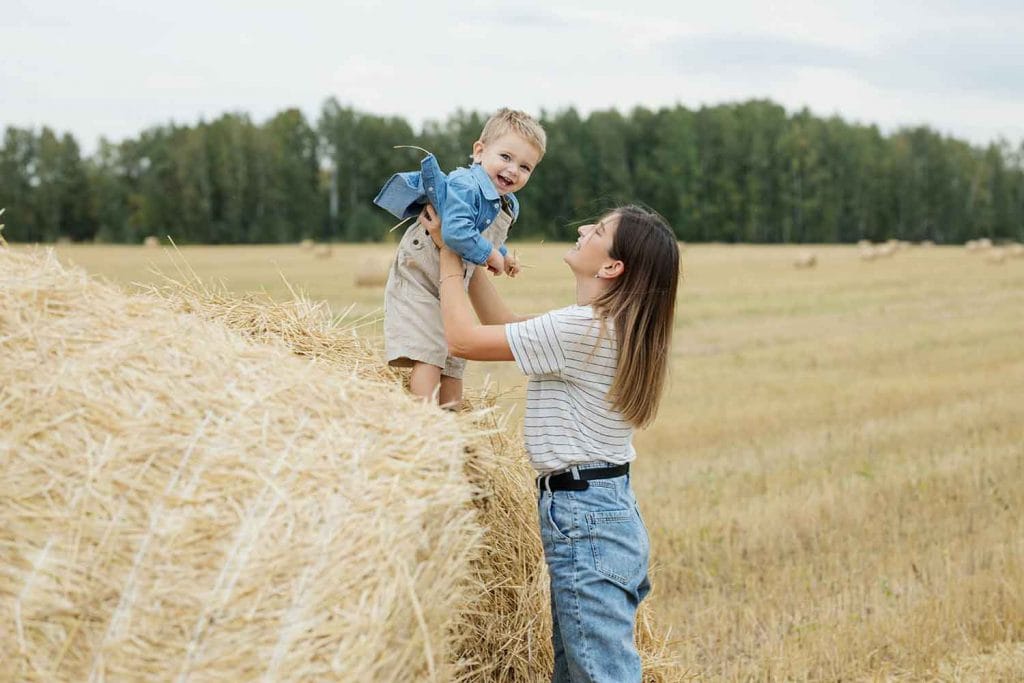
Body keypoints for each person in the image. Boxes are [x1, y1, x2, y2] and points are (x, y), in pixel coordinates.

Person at [421, 203, 680, 683]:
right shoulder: (595, 325)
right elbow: (505, 325)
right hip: (599, 511)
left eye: (598, 229)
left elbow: (463, 340)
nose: (582, 228)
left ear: (611, 266)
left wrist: (448, 261)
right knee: (577, 671)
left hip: (586, 519)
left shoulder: (584, 329)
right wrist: (471, 255)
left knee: (600, 674)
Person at [372, 108, 546, 406]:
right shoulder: (466, 185)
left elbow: (484, 237)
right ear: (479, 151)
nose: (513, 170)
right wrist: (489, 253)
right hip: (421, 274)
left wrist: (502, 255)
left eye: (525, 167)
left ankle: (452, 426)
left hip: (451, 281)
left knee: (454, 358)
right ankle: (423, 424)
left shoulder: (506, 203)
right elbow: (455, 233)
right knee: (430, 353)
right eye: (505, 157)